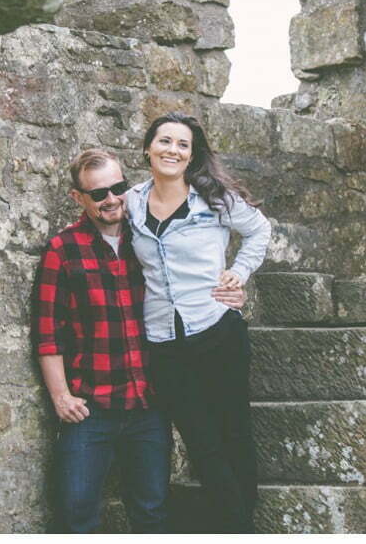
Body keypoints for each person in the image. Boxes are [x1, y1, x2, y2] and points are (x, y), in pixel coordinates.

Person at [31, 148, 247, 533]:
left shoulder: (147, 237)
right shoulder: (63, 250)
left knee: (152, 513)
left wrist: (232, 291)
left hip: (149, 404)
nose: (111, 198)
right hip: (90, 407)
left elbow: (193, 285)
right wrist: (61, 396)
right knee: (76, 512)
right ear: (77, 197)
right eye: (98, 193)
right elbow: (48, 331)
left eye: (118, 187)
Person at [123, 112, 272, 533]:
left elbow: (259, 231)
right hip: (164, 341)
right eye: (165, 141)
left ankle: (239, 528)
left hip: (217, 330)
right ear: (148, 149)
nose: (173, 150)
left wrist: (238, 274)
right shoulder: (132, 201)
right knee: (201, 442)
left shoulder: (214, 197)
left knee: (233, 434)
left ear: (192, 155)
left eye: (182, 144)